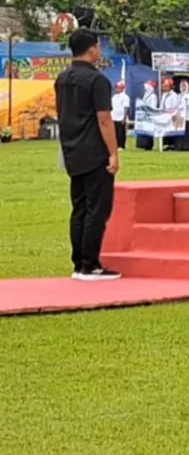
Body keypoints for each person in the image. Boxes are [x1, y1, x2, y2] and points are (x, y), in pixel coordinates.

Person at [54, 31, 122, 281]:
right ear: (92, 49)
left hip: (72, 149)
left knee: (79, 208)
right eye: (98, 47)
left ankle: (79, 262)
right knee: (98, 209)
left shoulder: (62, 79)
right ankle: (90, 264)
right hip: (94, 150)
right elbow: (104, 119)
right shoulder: (97, 81)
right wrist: (113, 153)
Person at [110, 80, 130, 148]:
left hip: (120, 117)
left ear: (122, 88)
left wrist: (124, 117)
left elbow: (126, 107)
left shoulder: (125, 97)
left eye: (118, 88)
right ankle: (116, 145)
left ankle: (122, 145)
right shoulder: (114, 97)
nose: (116, 89)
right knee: (115, 132)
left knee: (121, 132)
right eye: (116, 87)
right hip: (114, 116)